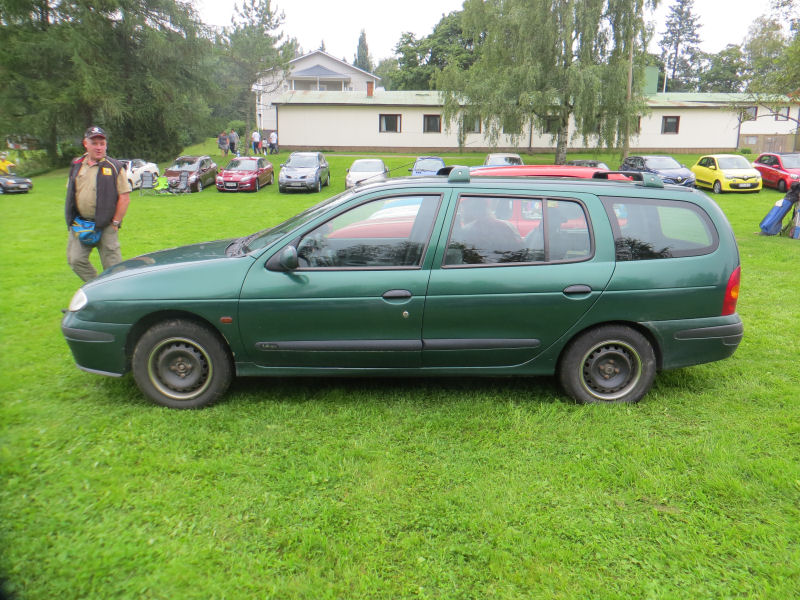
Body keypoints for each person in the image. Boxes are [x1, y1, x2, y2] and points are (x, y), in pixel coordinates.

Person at [64, 126, 131, 282]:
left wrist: (115, 222)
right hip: (81, 223)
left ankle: (117, 297)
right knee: (76, 260)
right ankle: (98, 287)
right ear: (85, 144)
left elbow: (125, 197)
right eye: (95, 143)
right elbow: (71, 192)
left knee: (114, 269)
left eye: (102, 143)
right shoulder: (77, 164)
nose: (99, 147)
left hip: (107, 225)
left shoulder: (115, 167)